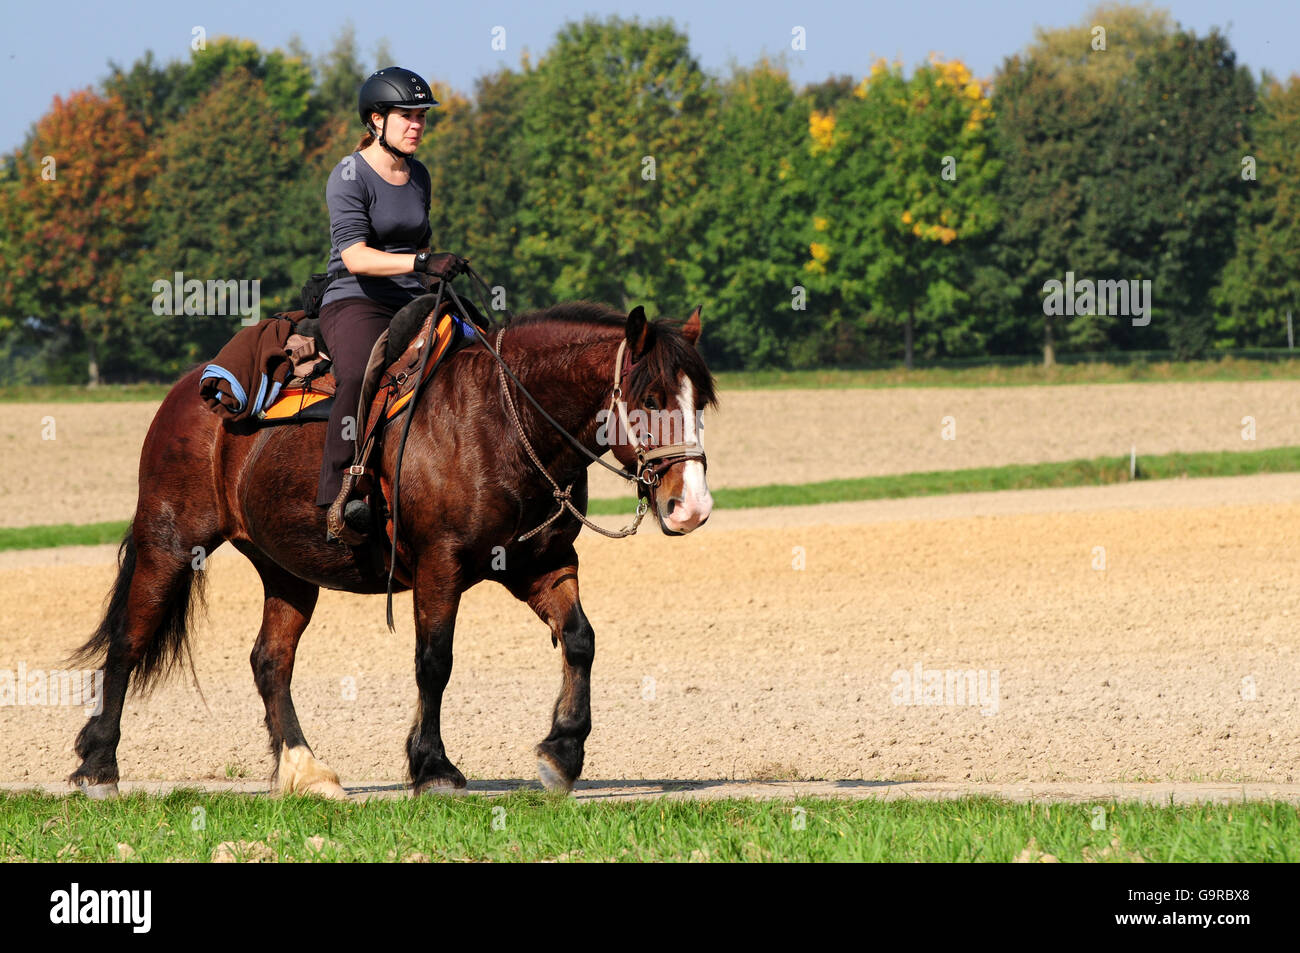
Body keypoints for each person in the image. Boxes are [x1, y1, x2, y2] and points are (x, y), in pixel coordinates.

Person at [315, 66, 464, 544]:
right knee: (360, 375)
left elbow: (414, 244)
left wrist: (432, 268)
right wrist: (421, 261)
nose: (417, 124)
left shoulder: (419, 174)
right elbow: (355, 257)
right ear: (376, 119)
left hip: (414, 297)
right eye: (407, 116)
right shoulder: (348, 175)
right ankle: (342, 489)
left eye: (421, 116)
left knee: (480, 349)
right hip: (357, 300)